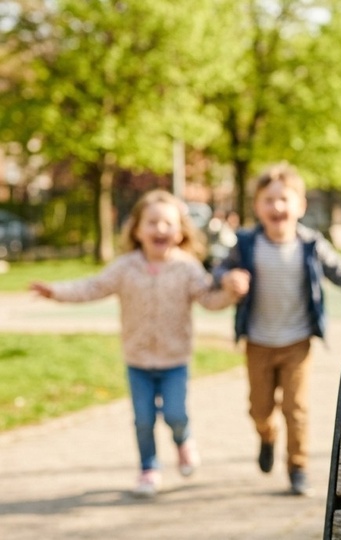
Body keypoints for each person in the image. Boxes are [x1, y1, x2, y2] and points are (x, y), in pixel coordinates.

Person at [30, 190, 244, 498]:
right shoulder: (125, 267)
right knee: (143, 420)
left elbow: (209, 300)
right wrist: (56, 292)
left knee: (175, 415)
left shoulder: (187, 268)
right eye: (152, 222)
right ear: (137, 230)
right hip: (138, 361)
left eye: (168, 223)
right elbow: (92, 287)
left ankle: (183, 440)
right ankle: (149, 468)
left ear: (180, 231)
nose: (160, 229)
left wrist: (231, 294)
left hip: (174, 360)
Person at [214, 163, 341, 496]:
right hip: (258, 341)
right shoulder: (247, 243)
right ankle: (267, 435)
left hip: (297, 341)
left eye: (285, 199)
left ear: (301, 206)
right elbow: (219, 269)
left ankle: (297, 467)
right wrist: (228, 278)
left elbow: (339, 270)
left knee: (296, 407)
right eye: (269, 200)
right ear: (257, 207)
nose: (277, 206)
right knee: (259, 408)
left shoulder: (310, 243)